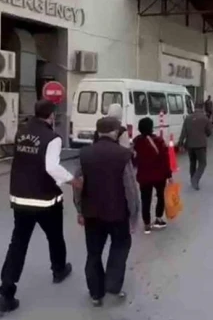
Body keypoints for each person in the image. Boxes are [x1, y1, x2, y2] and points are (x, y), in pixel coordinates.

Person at [0, 100, 80, 315]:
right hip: (45, 199)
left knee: (18, 244)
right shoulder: (52, 138)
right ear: (51, 115)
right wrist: (73, 181)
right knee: (55, 236)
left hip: (21, 197)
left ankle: (6, 294)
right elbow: (51, 167)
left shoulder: (21, 132)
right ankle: (59, 270)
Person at [73, 117, 139, 307]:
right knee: (120, 246)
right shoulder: (123, 155)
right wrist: (134, 215)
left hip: (91, 213)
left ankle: (96, 293)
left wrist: (80, 209)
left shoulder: (85, 153)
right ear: (115, 132)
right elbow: (130, 189)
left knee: (93, 253)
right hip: (117, 213)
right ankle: (113, 284)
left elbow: (78, 185)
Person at [132, 117, 172, 234]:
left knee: (145, 199)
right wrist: (169, 175)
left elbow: (134, 160)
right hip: (159, 176)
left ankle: (146, 224)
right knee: (160, 196)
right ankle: (158, 219)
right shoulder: (159, 141)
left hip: (143, 176)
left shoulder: (136, 142)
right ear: (151, 127)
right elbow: (165, 159)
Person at [178, 104, 212, 190]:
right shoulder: (205, 118)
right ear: (202, 108)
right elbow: (209, 132)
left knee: (192, 162)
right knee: (202, 163)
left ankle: (192, 179)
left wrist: (180, 143)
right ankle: (195, 179)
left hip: (190, 145)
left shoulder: (188, 118)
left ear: (194, 108)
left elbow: (183, 132)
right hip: (201, 145)